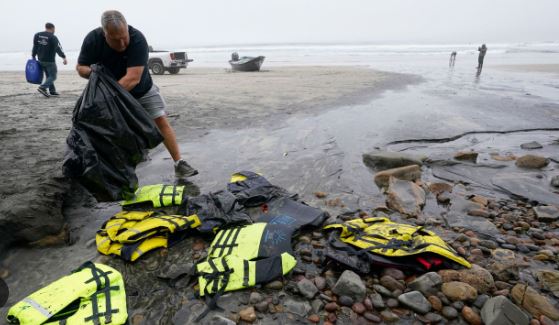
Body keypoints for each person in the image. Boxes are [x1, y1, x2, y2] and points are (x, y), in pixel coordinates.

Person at [76, 10, 198, 179]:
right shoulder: (93, 40)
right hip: (110, 93)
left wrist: (108, 99)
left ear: (127, 28)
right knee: (113, 131)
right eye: (115, 39)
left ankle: (179, 163)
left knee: (160, 121)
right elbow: (80, 68)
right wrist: (94, 73)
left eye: (124, 36)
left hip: (141, 89)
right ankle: (115, 172)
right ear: (104, 34)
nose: (122, 43)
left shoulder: (138, 39)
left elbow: (132, 78)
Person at [32, 22, 67, 97]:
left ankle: (52, 91)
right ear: (52, 28)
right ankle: (42, 88)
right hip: (50, 61)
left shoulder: (37, 35)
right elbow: (58, 48)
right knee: (53, 76)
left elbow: (35, 46)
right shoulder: (53, 37)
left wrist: (33, 56)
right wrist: (63, 57)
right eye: (54, 29)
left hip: (40, 59)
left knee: (48, 76)